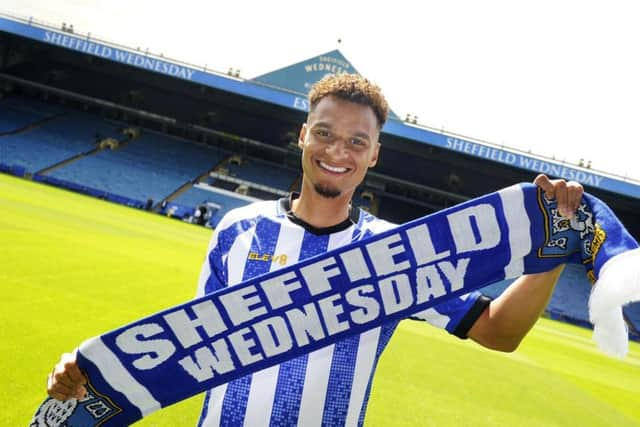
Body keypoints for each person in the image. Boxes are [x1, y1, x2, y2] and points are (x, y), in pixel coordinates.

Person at [47, 74, 584, 426]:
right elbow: (192, 348)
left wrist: (554, 249)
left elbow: (498, 332)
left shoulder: (394, 253)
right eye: (325, 134)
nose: (337, 152)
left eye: (356, 142)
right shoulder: (238, 230)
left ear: (374, 155)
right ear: (303, 135)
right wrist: (91, 374)